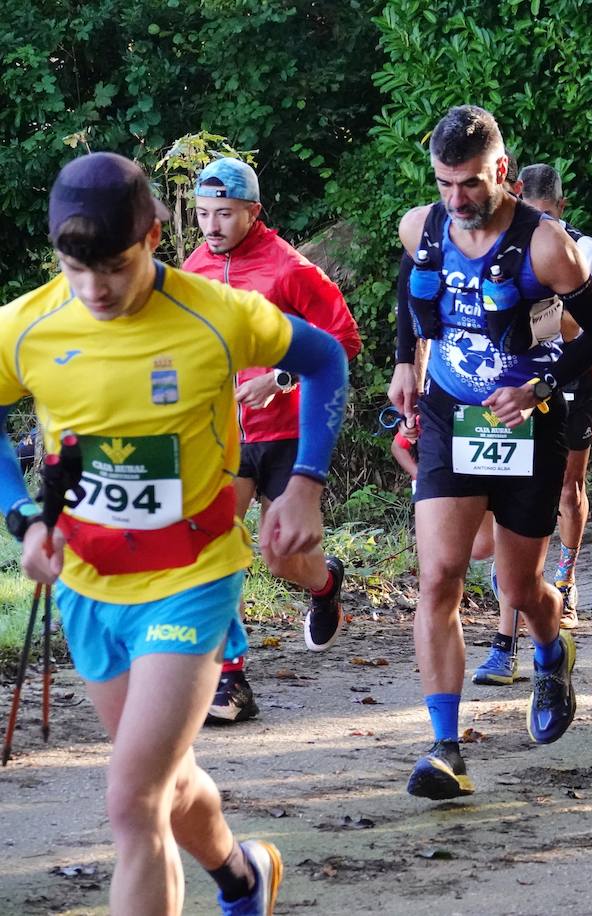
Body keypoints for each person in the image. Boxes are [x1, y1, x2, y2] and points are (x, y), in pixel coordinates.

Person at [0, 151, 347, 914]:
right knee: (165, 777)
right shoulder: (27, 325)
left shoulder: (216, 314)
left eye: (115, 269)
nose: (95, 290)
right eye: (74, 270)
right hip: (89, 586)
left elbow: (325, 359)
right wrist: (24, 514)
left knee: (131, 799)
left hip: (192, 580)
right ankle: (242, 875)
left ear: (155, 236)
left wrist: (305, 485)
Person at [389, 106, 592, 799]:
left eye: (471, 185)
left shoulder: (546, 245)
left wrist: (540, 385)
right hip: (449, 413)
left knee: (517, 589)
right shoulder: (420, 224)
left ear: (502, 172)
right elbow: (411, 285)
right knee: (441, 577)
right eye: (445, 184)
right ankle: (445, 749)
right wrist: (406, 360)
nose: (457, 200)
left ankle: (552, 648)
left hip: (526, 422)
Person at [184, 157, 362, 724]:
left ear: (253, 211)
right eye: (204, 214)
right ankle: (230, 680)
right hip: (224, 436)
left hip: (287, 433)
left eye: (225, 214)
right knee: (213, 547)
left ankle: (326, 581)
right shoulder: (194, 266)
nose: (212, 226)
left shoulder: (290, 268)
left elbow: (344, 340)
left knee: (282, 556)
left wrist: (281, 377)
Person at [467, 161, 592, 683]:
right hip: (505, 387)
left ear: (561, 209)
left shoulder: (581, 247)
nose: (540, 226)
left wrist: (558, 327)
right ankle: (514, 626)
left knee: (569, 488)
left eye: (548, 216)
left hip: (568, 384)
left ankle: (560, 580)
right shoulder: (488, 240)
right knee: (501, 507)